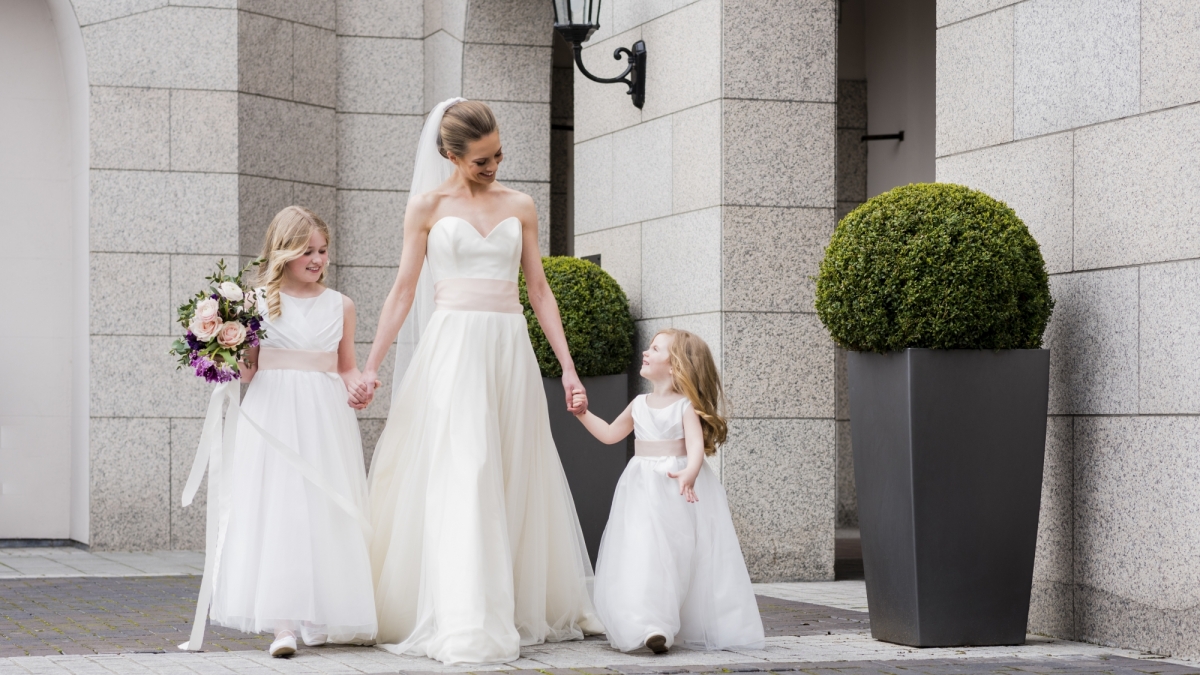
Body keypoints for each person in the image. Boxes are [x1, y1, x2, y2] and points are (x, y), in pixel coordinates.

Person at [350, 98, 602, 665]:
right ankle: (463, 617)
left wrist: (566, 366)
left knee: (509, 467)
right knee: (467, 468)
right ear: (450, 154)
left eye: (498, 156)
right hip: (454, 350)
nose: (493, 168)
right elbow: (403, 291)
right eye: (481, 161)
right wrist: (371, 366)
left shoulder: (521, 204)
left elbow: (539, 290)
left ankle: (505, 602)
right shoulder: (426, 207)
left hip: (509, 348)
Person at [209, 206, 377, 657]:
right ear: (284, 252)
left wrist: (358, 385)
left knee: (323, 505)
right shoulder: (257, 302)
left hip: (324, 417)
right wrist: (224, 344)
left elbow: (345, 367)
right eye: (308, 251)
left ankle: (317, 609)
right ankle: (283, 623)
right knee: (279, 507)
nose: (318, 259)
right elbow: (248, 374)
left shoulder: (340, 305)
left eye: (323, 251)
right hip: (273, 414)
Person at [571, 329, 765, 654]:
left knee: (674, 555)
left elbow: (695, 448)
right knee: (641, 551)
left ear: (674, 365)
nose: (645, 352)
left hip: (675, 488)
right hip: (640, 489)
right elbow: (608, 434)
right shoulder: (638, 404)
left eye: (655, 348)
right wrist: (582, 413)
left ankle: (664, 620)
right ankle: (649, 624)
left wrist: (689, 473)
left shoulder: (684, 407)